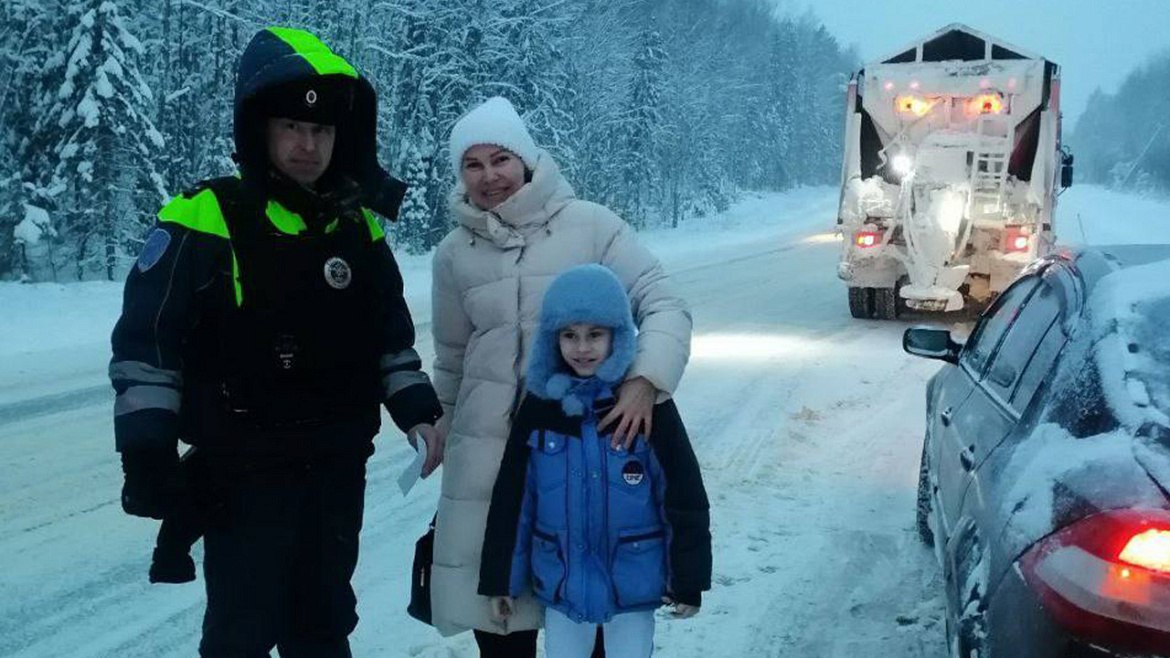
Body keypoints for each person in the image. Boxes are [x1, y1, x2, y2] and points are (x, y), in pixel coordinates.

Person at [109, 26, 443, 657]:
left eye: (321, 130)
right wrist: (146, 452)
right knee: (241, 631)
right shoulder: (205, 216)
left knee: (323, 625)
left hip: (336, 470)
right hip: (242, 474)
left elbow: (391, 341)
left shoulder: (357, 226)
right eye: (291, 126)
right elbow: (148, 346)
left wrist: (419, 410)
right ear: (259, 128)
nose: (307, 144)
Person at [429, 96, 693, 656]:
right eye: (472, 165)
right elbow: (452, 357)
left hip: (584, 455)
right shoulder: (453, 254)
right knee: (499, 621)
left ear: (526, 159)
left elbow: (663, 302)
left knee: (586, 614)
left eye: (500, 159)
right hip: (485, 466)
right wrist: (438, 425)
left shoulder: (591, 226)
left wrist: (645, 381)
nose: (488, 176)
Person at [479, 264, 712, 658]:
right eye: (569, 335)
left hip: (634, 584)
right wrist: (501, 579)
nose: (582, 348)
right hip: (562, 583)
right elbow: (514, 499)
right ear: (553, 338)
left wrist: (687, 579)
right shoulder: (541, 407)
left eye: (595, 334)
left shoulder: (645, 405)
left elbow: (682, 495)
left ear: (617, 334)